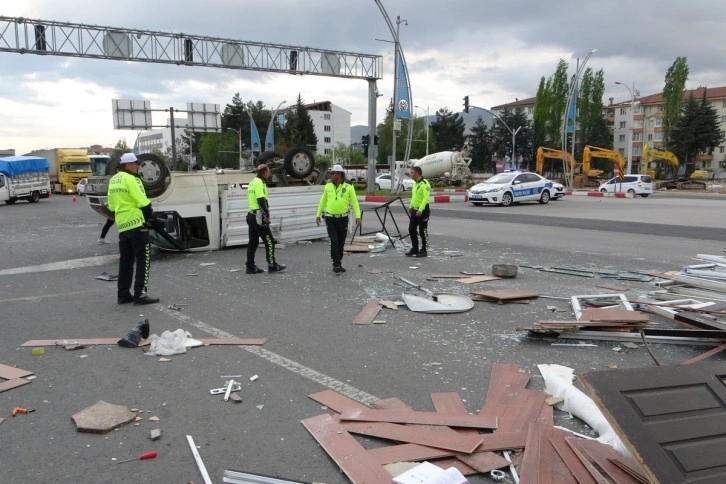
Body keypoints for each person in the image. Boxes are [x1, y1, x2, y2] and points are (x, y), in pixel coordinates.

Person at [107, 153, 160, 305]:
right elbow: (143, 202)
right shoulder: (132, 179)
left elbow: (110, 205)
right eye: (136, 164)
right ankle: (140, 294)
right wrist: (150, 217)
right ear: (129, 165)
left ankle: (123, 295)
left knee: (126, 262)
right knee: (144, 259)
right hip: (137, 224)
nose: (138, 167)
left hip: (122, 225)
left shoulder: (114, 180)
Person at [316, 164, 361, 273]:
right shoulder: (328, 186)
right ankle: (336, 264)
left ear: (339, 175)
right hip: (330, 218)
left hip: (343, 219)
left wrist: (358, 216)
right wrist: (318, 214)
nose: (330, 175)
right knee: (334, 241)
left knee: (341, 242)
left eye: (332, 173)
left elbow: (354, 201)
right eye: (330, 173)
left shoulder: (348, 186)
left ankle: (338, 261)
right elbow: (323, 201)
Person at [246, 163, 285, 274]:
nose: (269, 174)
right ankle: (272, 265)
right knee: (269, 241)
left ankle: (250, 266)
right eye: (268, 171)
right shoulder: (260, 183)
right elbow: (261, 200)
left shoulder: (252, 182)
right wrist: (266, 216)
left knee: (253, 243)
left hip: (251, 215)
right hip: (258, 216)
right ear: (264, 172)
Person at [405, 166, 431, 258]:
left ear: (417, 173)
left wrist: (420, 209)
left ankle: (424, 250)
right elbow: (414, 197)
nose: (410, 174)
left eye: (412, 173)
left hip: (423, 210)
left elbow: (425, 198)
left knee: (423, 231)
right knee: (411, 229)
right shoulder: (415, 184)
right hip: (414, 210)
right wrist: (411, 207)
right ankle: (415, 248)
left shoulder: (425, 184)